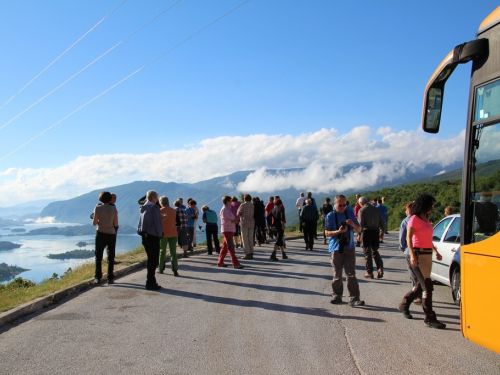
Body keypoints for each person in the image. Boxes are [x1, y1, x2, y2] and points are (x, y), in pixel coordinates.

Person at [398, 194, 446, 329]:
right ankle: (429, 317)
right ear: (424, 205)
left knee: (421, 285)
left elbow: (428, 238)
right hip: (417, 255)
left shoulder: (426, 219)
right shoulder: (414, 219)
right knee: (427, 287)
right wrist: (412, 256)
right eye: (431, 204)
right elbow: (408, 238)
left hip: (427, 254)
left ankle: (404, 304)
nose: (433, 207)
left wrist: (435, 251)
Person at [325, 194, 364, 307]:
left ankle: (354, 298)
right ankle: (337, 295)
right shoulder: (330, 216)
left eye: (344, 205)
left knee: (351, 274)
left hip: (349, 247)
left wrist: (353, 224)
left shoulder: (349, 213)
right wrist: (338, 232)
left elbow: (359, 229)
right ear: (335, 204)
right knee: (337, 274)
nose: (342, 207)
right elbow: (327, 233)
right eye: (340, 205)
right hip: (336, 248)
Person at [137, 190, 162, 291]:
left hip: (145, 235)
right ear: (153, 198)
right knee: (154, 260)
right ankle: (150, 282)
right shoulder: (154, 208)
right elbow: (157, 223)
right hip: (153, 236)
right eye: (156, 198)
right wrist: (160, 234)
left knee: (150, 259)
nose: (157, 200)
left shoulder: (143, 208)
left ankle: (151, 281)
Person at [92, 191, 118, 285]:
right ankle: (110, 277)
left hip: (100, 233)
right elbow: (116, 224)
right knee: (111, 256)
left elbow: (94, 223)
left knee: (98, 256)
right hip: (111, 233)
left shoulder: (97, 208)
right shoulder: (113, 209)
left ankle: (98, 277)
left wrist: (100, 221)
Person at [399, 201, 422, 305]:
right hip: (421, 249)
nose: (405, 211)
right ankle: (422, 293)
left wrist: (402, 247)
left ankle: (417, 294)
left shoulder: (406, 221)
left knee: (413, 274)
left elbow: (402, 236)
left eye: (406, 209)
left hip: (410, 250)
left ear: (410, 210)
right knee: (421, 273)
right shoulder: (422, 219)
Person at [358, 197, 385, 279]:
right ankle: (380, 268)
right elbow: (382, 222)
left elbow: (360, 224)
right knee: (375, 251)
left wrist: (359, 235)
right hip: (376, 231)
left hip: (367, 232)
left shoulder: (362, 210)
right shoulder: (376, 209)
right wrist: (381, 233)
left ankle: (369, 272)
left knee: (367, 253)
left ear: (361, 203)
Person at [218, 195, 244, 269]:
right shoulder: (225, 210)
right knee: (230, 247)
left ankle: (220, 261)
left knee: (225, 247)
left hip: (229, 230)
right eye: (230, 201)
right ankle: (235, 263)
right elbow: (225, 221)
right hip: (227, 230)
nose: (231, 202)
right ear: (227, 202)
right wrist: (234, 221)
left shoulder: (227, 209)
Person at [159, 196, 179, 277]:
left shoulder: (160, 211)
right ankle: (175, 270)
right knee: (173, 252)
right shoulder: (173, 211)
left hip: (163, 234)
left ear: (161, 202)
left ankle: (161, 268)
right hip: (173, 233)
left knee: (162, 251)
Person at [237, 194, 255, 260]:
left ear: (244, 199)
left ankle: (247, 253)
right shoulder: (252, 205)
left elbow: (238, 213)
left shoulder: (243, 205)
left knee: (244, 238)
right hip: (251, 222)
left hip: (244, 222)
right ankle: (251, 251)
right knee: (250, 238)